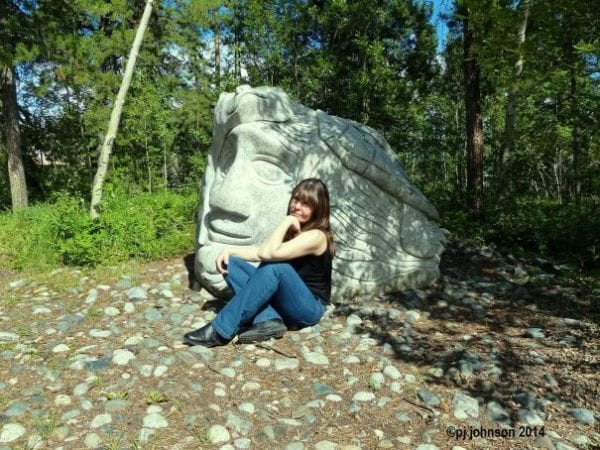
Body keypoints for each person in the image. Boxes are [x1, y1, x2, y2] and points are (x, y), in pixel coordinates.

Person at [184, 178, 335, 347]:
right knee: (231, 264)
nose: (297, 206)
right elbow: (259, 252)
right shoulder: (297, 232)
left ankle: (220, 330)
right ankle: (269, 319)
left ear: (318, 209)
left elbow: (266, 253)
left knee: (275, 267)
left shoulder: (317, 236)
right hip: (286, 300)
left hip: (309, 308)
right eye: (296, 199)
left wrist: (286, 220)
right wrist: (229, 251)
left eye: (306, 204)